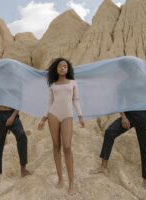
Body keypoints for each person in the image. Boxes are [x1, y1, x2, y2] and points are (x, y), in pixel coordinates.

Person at [37, 58, 85, 195]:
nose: (62, 68)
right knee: (56, 145)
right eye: (60, 66)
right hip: (53, 115)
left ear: (68, 68)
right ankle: (60, 178)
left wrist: (80, 116)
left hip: (67, 116)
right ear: (56, 69)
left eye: (65, 66)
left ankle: (71, 183)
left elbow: (76, 100)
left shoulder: (73, 83)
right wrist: (43, 119)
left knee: (67, 147)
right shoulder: (52, 85)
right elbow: (49, 103)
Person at [90, 110, 146, 190]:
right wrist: (123, 117)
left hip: (143, 116)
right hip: (129, 115)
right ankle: (103, 167)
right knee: (109, 132)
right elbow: (121, 99)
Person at [0, 105, 31, 188]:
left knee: (22, 138)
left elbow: (19, 101)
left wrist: (12, 117)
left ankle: (23, 169)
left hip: (12, 113)